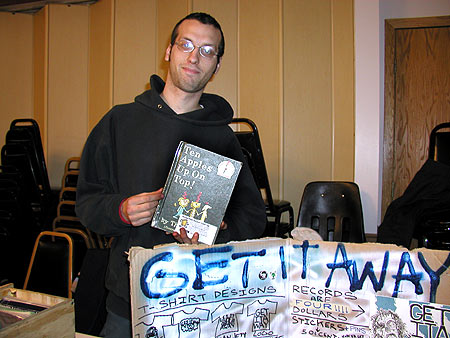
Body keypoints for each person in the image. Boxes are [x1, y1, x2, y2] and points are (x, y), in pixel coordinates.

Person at [75, 12, 266, 338]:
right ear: (169, 51)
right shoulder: (119, 123)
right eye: (186, 44)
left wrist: (215, 233)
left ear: (216, 66)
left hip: (199, 304)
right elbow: (88, 202)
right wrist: (120, 211)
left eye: (208, 50)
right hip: (128, 302)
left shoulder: (222, 139)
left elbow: (251, 217)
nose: (195, 57)